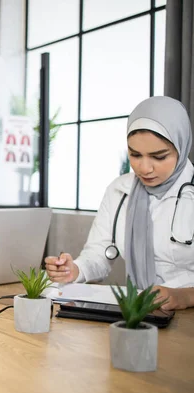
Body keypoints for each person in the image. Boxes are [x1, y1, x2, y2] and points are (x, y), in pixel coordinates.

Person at [44, 96, 194, 311]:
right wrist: (74, 269)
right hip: (137, 312)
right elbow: (99, 254)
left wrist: (184, 297)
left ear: (182, 146)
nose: (144, 168)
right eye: (135, 155)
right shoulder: (119, 190)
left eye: (159, 157)